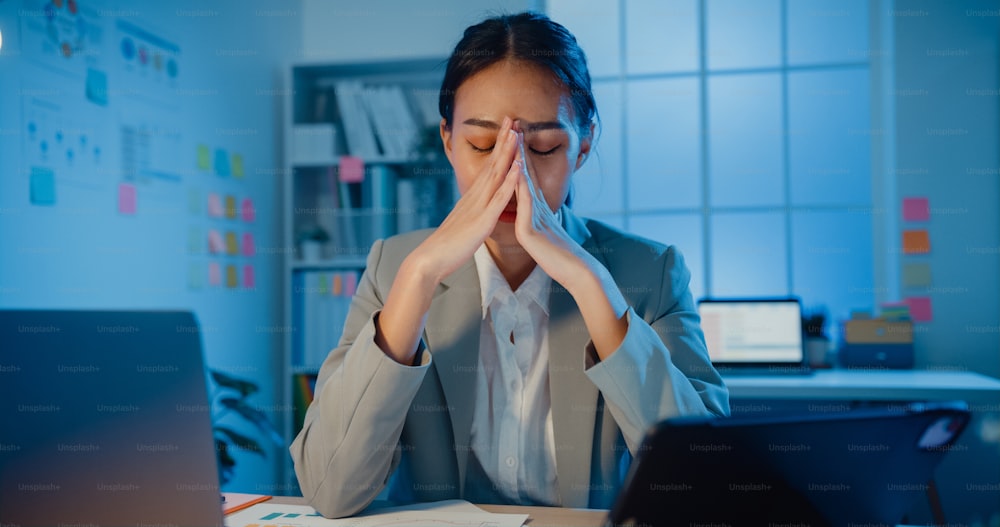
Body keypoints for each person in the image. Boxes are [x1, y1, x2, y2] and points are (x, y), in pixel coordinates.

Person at [290, 11, 729, 518]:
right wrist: (419, 277)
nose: (510, 173)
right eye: (481, 145)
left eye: (544, 147)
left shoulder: (651, 273)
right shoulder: (394, 268)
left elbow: (706, 487)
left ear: (583, 146)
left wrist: (591, 285)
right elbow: (330, 489)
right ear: (448, 141)